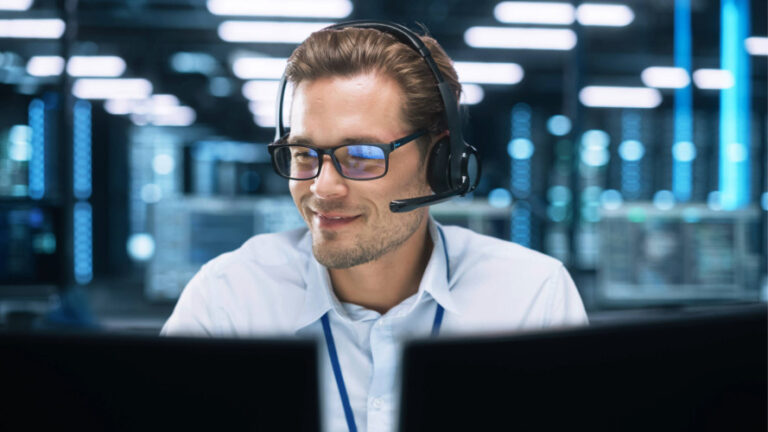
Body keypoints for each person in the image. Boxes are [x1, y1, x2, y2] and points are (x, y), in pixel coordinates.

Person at [162, 21, 588, 432]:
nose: (322, 188)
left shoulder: (531, 299)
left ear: (440, 164)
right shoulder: (229, 300)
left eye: (361, 155)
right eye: (304, 154)